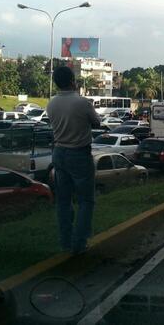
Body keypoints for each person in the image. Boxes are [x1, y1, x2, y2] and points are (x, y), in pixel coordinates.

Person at [47, 66, 101, 254]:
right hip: (78, 154)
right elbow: (97, 122)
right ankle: (79, 243)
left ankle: (65, 242)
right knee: (86, 200)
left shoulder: (51, 103)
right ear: (72, 81)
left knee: (63, 200)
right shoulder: (82, 102)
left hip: (59, 153)